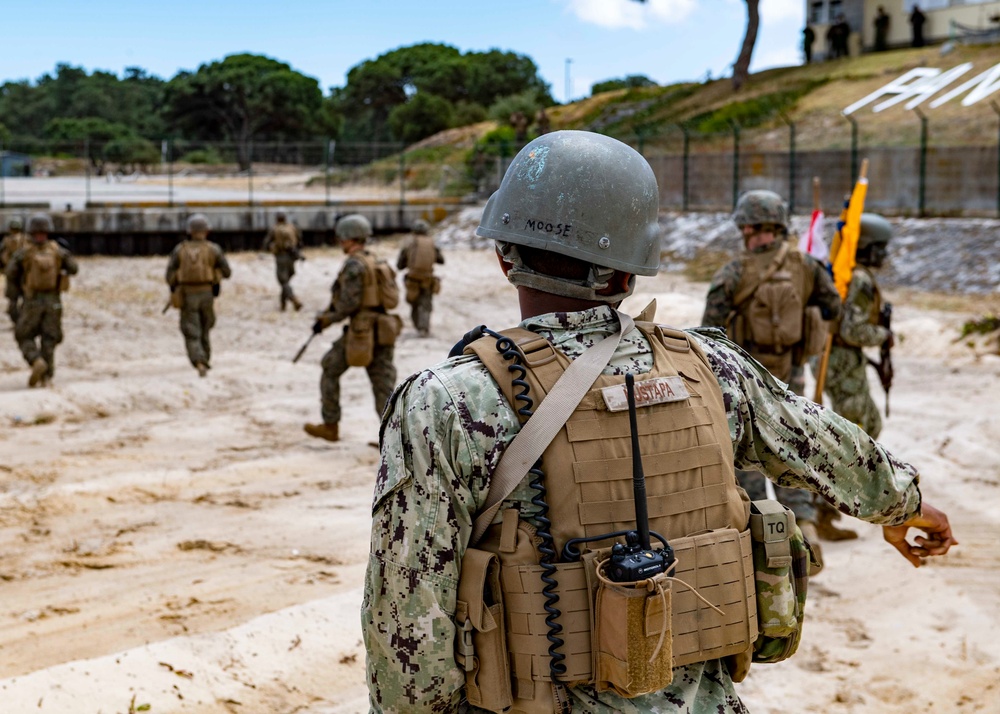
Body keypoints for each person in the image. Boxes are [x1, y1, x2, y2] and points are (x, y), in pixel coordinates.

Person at [362, 130, 957, 713]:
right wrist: (905, 507)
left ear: (503, 256)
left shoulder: (444, 401)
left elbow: (407, 621)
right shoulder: (712, 366)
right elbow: (828, 449)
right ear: (628, 275)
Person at [701, 189, 842, 553]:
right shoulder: (807, 267)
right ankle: (804, 530)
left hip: (742, 378)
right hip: (791, 377)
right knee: (792, 451)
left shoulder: (732, 273)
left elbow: (708, 335)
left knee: (745, 454)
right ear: (779, 226)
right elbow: (832, 306)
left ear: (748, 228)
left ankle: (754, 537)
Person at [304, 214, 400, 443]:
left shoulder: (354, 265)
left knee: (330, 367)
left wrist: (325, 320)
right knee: (383, 384)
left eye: (341, 238)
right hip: (384, 329)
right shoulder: (377, 261)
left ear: (349, 238)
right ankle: (395, 441)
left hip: (361, 331)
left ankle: (330, 425)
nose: (339, 242)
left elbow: (347, 304)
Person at [4, 213, 78, 387]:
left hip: (31, 302)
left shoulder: (24, 253)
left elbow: (10, 275)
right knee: (49, 338)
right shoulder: (57, 251)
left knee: (23, 335)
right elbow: (74, 268)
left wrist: (12, 302)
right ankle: (47, 377)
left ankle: (36, 361)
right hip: (54, 302)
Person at [165, 213, 231, 377]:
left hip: (187, 294)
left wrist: (176, 284)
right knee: (205, 327)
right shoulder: (213, 249)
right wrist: (214, 275)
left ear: (190, 231)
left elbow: (169, 275)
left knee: (191, 329)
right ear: (206, 231)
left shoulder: (180, 249)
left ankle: (199, 361)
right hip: (207, 293)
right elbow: (227, 272)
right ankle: (205, 359)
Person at [396, 218, 444, 337]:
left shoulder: (409, 243)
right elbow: (441, 260)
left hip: (412, 279)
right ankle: (424, 328)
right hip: (428, 279)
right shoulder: (432, 243)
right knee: (426, 304)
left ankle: (418, 327)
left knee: (414, 304)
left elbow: (400, 265)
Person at [262, 211, 303, 312]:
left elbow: (266, 243)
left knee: (283, 282)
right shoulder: (292, 227)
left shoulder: (274, 229)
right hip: (292, 257)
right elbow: (299, 241)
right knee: (286, 282)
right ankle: (283, 305)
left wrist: (271, 248)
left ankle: (294, 299)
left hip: (281, 257)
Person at [0, 218, 26, 324]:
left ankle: (15, 319)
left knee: (12, 299)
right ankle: (23, 319)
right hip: (24, 273)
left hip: (10, 272)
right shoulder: (25, 239)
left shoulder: (6, 241)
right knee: (26, 297)